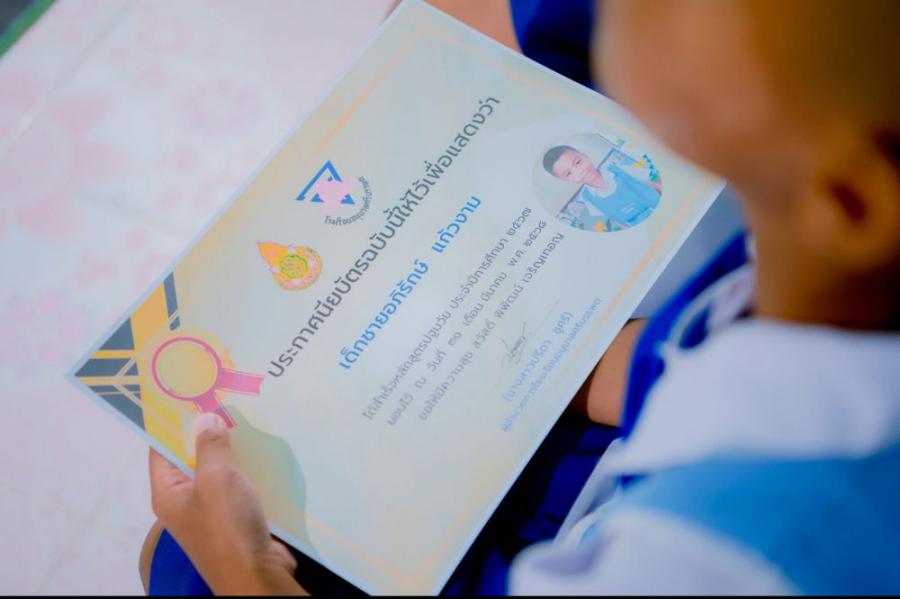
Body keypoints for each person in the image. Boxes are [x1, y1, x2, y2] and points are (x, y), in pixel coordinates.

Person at [143, 0, 900, 594]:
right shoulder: (833, 262)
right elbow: (738, 363)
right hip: (637, 405)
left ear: (852, 201)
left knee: (184, 561)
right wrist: (557, 360)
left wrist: (250, 575)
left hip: (595, 525)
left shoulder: (729, 552)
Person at [544, 144, 662, 231]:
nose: (580, 171)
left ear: (585, 156)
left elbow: (650, 183)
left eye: (578, 162)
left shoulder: (614, 168)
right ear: (565, 180)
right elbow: (614, 219)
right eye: (569, 173)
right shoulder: (586, 197)